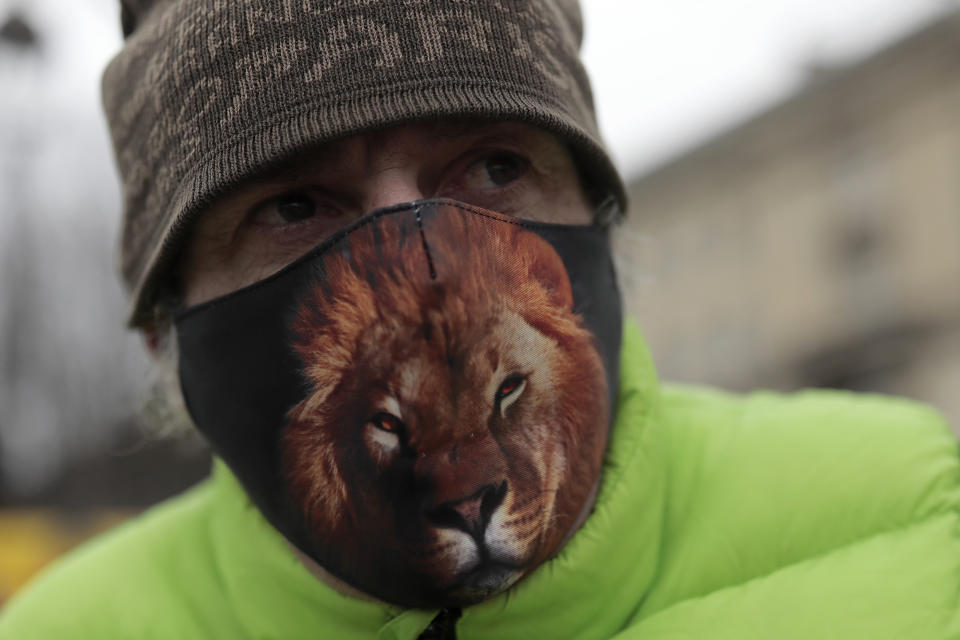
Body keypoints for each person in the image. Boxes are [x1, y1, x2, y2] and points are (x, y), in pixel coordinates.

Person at [2, 1, 959, 638]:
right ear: (164, 331)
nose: (417, 263)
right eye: (294, 206)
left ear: (600, 221)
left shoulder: (916, 518)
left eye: (494, 166)